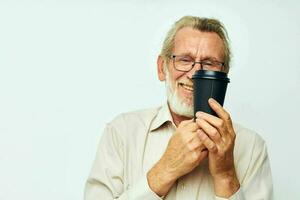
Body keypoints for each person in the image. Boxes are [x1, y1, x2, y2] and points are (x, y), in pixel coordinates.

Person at [84, 16, 273, 200]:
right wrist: (165, 169)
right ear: (162, 68)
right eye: (184, 59)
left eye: (209, 63)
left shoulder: (252, 147)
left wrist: (225, 175)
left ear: (224, 76)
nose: (193, 74)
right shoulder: (122, 132)